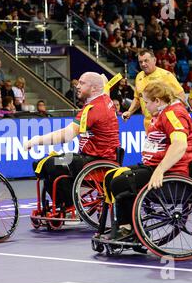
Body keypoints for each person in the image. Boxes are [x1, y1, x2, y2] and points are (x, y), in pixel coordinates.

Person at [102, 81, 192, 240]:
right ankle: (128, 226)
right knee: (113, 176)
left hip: (171, 173)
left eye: (146, 103)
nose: (145, 106)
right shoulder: (162, 113)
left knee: (119, 183)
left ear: (158, 101)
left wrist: (160, 170)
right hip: (153, 166)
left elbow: (180, 144)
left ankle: (128, 229)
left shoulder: (173, 114)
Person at [24, 72, 120, 212]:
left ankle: (70, 206)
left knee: (51, 164)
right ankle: (62, 202)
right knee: (42, 163)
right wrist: (101, 77)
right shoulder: (105, 98)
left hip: (95, 160)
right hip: (94, 157)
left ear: (93, 88)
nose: (77, 86)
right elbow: (104, 84)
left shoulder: (93, 110)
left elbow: (67, 135)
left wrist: (35, 140)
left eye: (82, 83)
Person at [122, 49, 185, 131]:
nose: (143, 64)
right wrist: (129, 112)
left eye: (146, 61)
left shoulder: (166, 75)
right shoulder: (139, 76)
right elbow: (138, 98)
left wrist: (173, 115)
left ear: (154, 60)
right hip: (148, 123)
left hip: (164, 121)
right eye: (140, 62)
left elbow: (181, 96)